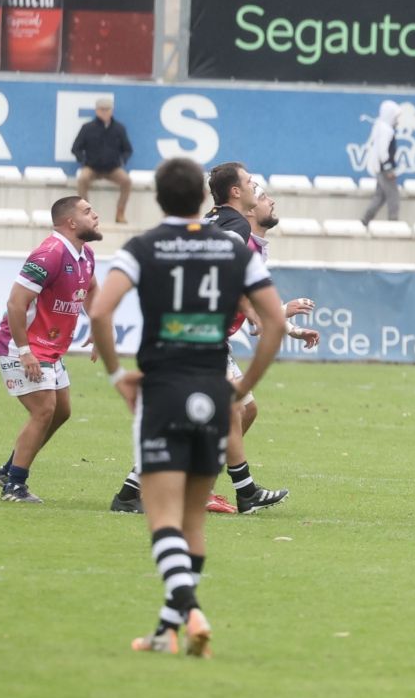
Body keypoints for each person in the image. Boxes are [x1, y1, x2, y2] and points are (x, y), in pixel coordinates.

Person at [87, 156, 287, 657]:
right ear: (204, 199)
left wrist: (117, 375)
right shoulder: (231, 246)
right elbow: (273, 323)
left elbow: (100, 311)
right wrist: (243, 389)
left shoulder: (142, 246)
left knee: (161, 520)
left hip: (162, 390)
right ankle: (165, 628)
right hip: (212, 391)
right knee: (193, 523)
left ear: (157, 197)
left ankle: (190, 611)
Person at [109, 165, 314, 516]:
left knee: (236, 411)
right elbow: (219, 268)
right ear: (236, 193)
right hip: (199, 333)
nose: (261, 193)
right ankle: (238, 491)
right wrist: (262, 310)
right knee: (223, 412)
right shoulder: (234, 228)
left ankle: (142, 491)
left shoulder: (210, 221)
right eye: (253, 186)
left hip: (192, 331)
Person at [0, 197, 102, 504]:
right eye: (89, 212)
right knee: (43, 410)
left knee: (61, 411)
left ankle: (10, 468)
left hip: (49, 348)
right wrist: (24, 351)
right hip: (20, 346)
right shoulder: (48, 254)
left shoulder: (85, 254)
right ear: (71, 222)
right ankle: (15, 486)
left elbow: (89, 290)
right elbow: (16, 302)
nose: (96, 216)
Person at [72, 95, 134, 224]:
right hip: (92, 167)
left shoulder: (119, 128)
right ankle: (85, 214)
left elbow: (128, 149)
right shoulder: (87, 128)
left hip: (112, 169)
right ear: (96, 111)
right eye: (102, 109)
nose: (105, 112)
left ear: (112, 110)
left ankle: (120, 213)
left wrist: (122, 161)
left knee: (126, 181)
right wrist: (83, 161)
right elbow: (76, 148)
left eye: (107, 109)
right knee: (83, 179)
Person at [359, 100, 401, 227]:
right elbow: (383, 151)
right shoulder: (386, 130)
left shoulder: (380, 126)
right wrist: (388, 169)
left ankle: (365, 219)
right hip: (384, 169)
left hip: (381, 167)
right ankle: (393, 221)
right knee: (393, 195)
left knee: (380, 196)